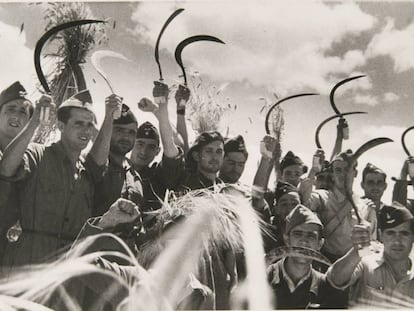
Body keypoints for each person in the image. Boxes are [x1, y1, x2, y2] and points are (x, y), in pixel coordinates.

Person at [0, 90, 119, 274]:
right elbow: (6, 169)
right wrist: (34, 123)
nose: (86, 130)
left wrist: (109, 116)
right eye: (79, 123)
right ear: (61, 127)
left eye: (89, 125)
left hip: (66, 266)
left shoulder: (86, 171)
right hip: (28, 263)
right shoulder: (38, 154)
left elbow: (100, 157)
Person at [327, 202, 414, 307]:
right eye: (390, 233)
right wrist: (357, 250)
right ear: (381, 236)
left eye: (404, 234)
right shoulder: (366, 257)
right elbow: (335, 279)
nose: (397, 241)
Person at [267, 204, 345, 309]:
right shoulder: (265, 276)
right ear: (287, 239)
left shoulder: (325, 287)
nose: (304, 242)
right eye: (298, 234)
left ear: (320, 244)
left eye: (311, 236)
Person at [307, 150, 376, 262]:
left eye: (347, 170)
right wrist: (314, 169)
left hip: (353, 267)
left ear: (355, 173)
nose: (342, 174)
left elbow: (370, 244)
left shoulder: (366, 207)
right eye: (338, 170)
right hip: (324, 263)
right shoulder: (321, 197)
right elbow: (301, 202)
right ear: (333, 175)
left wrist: (361, 268)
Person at [130, 81, 186, 213]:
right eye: (140, 144)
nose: (144, 151)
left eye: (151, 147)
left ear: (158, 151)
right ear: (131, 143)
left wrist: (159, 107)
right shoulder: (117, 167)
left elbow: (176, 141)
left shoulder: (157, 175)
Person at [0, 81, 34, 263]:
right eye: (10, 109)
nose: (16, 115)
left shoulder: (33, 160)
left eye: (23, 111)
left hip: (13, 257)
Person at [92, 103, 143, 217]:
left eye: (131, 132)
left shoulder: (134, 176)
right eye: (119, 130)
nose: (126, 137)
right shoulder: (93, 167)